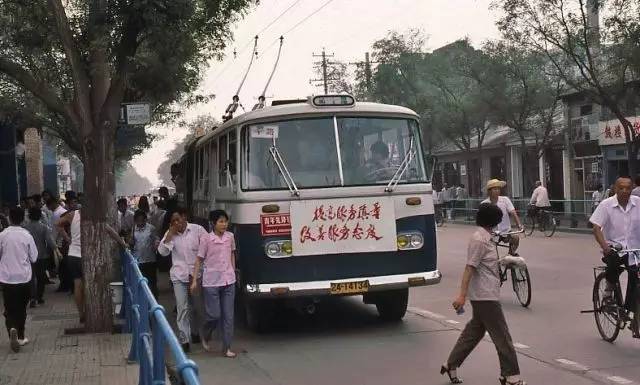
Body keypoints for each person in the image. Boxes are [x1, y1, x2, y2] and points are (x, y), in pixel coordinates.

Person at [441, 203, 525, 385]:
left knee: (473, 333)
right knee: (502, 336)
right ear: (494, 221)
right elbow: (469, 268)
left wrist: (506, 262)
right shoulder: (479, 239)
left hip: (485, 294)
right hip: (485, 296)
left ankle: (451, 364)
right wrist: (462, 296)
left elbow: (486, 265)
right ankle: (511, 376)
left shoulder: (485, 237)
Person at [589, 176, 640, 336]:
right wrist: (605, 247)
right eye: (621, 188)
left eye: (628, 188)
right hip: (615, 247)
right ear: (615, 189)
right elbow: (596, 227)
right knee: (614, 262)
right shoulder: (606, 205)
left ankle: (631, 310)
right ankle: (608, 293)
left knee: (636, 277)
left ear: (632, 189)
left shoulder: (638, 203)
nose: (625, 191)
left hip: (635, 249)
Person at [157, 207, 207, 352]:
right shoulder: (170, 233)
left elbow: (207, 247)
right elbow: (162, 252)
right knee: (182, 307)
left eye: (178, 219)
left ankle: (196, 332)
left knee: (197, 307)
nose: (177, 223)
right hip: (178, 276)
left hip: (195, 275)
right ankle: (184, 339)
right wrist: (169, 236)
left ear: (185, 217)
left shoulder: (197, 230)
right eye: (173, 221)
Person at [191, 210, 237, 357]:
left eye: (225, 221)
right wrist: (194, 281)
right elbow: (199, 259)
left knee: (228, 316)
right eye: (221, 221)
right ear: (213, 223)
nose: (224, 224)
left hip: (229, 280)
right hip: (211, 282)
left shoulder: (230, 237)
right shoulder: (206, 239)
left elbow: (232, 253)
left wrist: (233, 270)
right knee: (214, 315)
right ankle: (205, 333)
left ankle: (227, 347)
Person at [0, 207, 38, 352]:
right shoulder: (27, 235)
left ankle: (12, 330)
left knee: (9, 308)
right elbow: (34, 257)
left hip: (7, 278)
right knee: (22, 308)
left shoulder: (2, 235)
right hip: (24, 277)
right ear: (23, 219)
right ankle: (20, 336)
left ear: (9, 217)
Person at [22, 208, 58, 306]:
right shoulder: (43, 227)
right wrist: (56, 250)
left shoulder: (25, 228)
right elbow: (50, 241)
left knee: (30, 277)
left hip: (28, 255)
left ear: (29, 216)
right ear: (40, 216)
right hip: (41, 255)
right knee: (41, 277)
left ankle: (32, 297)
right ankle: (39, 296)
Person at [57, 208, 85, 323]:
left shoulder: (73, 214)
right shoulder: (95, 214)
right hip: (86, 256)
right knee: (87, 286)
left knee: (77, 285)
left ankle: (81, 314)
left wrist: (68, 238)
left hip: (72, 255)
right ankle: (89, 312)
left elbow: (57, 224)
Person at [482, 179, 523, 255]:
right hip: (491, 233)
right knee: (491, 252)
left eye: (498, 189)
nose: (497, 191)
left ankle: (510, 254)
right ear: (489, 191)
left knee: (515, 238)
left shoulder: (505, 200)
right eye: (495, 189)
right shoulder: (484, 204)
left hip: (506, 231)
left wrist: (519, 225)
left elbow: (513, 212)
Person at [130, 210, 160, 298]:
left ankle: (154, 299)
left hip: (150, 259)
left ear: (145, 220)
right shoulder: (133, 229)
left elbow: (156, 239)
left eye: (142, 220)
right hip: (138, 260)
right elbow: (132, 242)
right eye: (138, 221)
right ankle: (143, 299)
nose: (140, 223)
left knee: (152, 281)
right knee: (141, 282)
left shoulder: (151, 228)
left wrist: (156, 244)